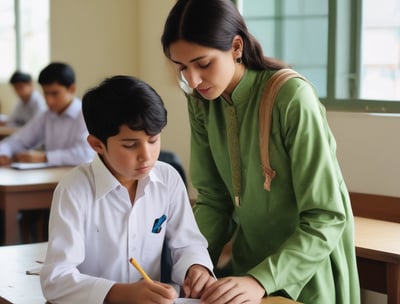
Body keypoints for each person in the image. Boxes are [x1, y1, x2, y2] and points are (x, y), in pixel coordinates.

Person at [161, 1, 360, 303]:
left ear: (236, 46)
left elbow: (326, 217)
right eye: (182, 67)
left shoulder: (292, 97)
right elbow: (214, 199)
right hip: (246, 274)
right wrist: (197, 261)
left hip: (306, 275)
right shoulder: (201, 102)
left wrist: (260, 280)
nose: (192, 80)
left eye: (203, 64)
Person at [40, 75, 215, 304]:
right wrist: (119, 293)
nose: (147, 155)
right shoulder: (74, 189)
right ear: (97, 145)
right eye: (130, 145)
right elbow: (56, 280)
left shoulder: (168, 179)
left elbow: (188, 243)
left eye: (153, 140)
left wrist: (196, 267)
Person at [0, 62, 94, 166]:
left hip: (80, 178)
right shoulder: (47, 115)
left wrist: (44, 157)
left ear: (71, 89)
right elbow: (19, 140)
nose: (49, 101)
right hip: (52, 176)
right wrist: (4, 153)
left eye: (55, 93)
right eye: (45, 93)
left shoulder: (86, 113)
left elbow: (85, 154)